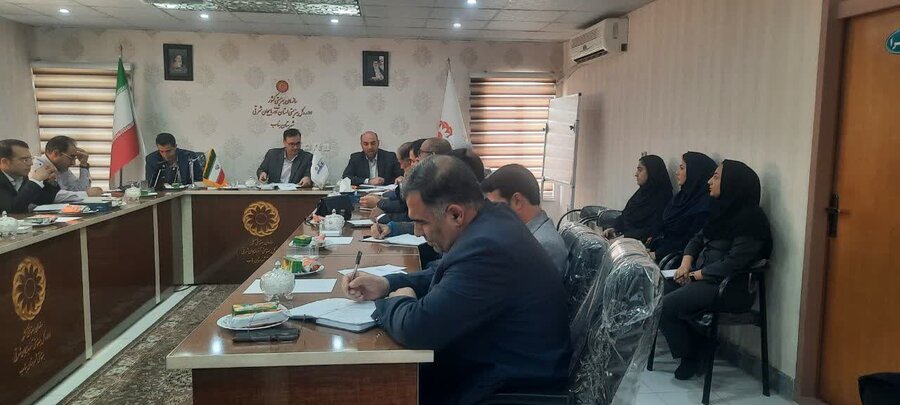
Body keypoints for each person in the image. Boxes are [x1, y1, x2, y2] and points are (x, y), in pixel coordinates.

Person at [342, 155, 571, 404]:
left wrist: (397, 301)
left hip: (504, 389)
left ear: (455, 214)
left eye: (421, 222)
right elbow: (444, 273)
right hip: (490, 368)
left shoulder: (488, 249)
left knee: (369, 386)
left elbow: (418, 329)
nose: (417, 232)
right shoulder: (492, 221)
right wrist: (388, 284)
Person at [659, 160, 772, 380]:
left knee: (665, 306)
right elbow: (696, 239)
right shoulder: (721, 212)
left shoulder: (752, 221)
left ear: (733, 183)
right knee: (657, 293)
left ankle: (690, 355)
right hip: (702, 279)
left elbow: (734, 263)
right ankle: (700, 345)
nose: (709, 181)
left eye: (716, 177)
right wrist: (685, 265)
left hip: (729, 288)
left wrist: (695, 275)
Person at [481, 164, 566, 273]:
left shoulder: (544, 245)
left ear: (517, 201)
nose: (492, 214)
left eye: (495, 205)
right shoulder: (526, 235)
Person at [648, 152, 718, 261]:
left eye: (682, 168)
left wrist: (657, 254)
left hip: (677, 259)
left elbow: (690, 241)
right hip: (659, 250)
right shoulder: (680, 197)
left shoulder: (704, 206)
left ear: (695, 173)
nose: (677, 172)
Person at [602, 155, 672, 242]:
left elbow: (653, 229)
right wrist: (614, 228)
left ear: (652, 172)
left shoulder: (662, 198)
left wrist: (624, 237)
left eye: (640, 170)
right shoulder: (641, 193)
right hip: (624, 239)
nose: (636, 174)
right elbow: (626, 215)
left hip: (638, 245)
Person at [34, 136, 103, 202]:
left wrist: (83, 165)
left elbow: (80, 189)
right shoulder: (36, 165)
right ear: (56, 154)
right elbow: (51, 196)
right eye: (71, 157)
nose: (73, 163)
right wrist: (86, 194)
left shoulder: (62, 168)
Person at [0, 139, 60, 213]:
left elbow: (43, 200)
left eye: (30, 159)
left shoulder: (21, 176)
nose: (31, 163)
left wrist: (49, 182)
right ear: (5, 162)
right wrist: (35, 180)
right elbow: (12, 209)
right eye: (25, 160)